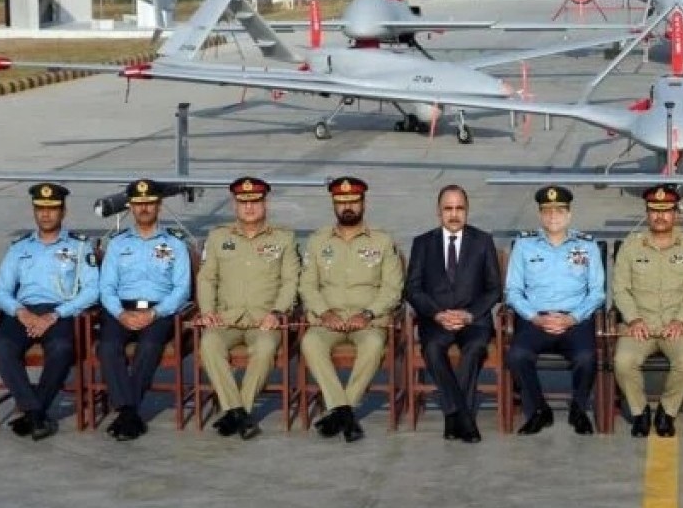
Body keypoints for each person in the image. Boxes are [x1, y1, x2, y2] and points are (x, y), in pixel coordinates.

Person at [299, 176, 403, 443]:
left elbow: (393, 288)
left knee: (372, 345)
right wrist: (324, 313)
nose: (348, 206)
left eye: (353, 201)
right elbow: (307, 286)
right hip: (328, 320)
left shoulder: (381, 241)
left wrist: (367, 314)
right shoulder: (318, 241)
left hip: (367, 321)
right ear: (333, 204)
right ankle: (344, 411)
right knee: (310, 342)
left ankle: (340, 410)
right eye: (341, 201)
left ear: (364, 203)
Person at [195, 177, 300, 440]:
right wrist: (207, 310)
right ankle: (239, 412)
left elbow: (291, 281)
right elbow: (207, 278)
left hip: (264, 319)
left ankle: (236, 410)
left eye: (255, 201)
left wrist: (278, 313)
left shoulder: (284, 239)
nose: (249, 207)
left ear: (266, 203)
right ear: (234, 205)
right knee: (209, 343)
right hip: (226, 318)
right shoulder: (218, 237)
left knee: (264, 348)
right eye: (243, 202)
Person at [0, 183, 99, 440]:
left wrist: (56, 314)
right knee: (2, 346)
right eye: (40, 209)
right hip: (23, 312)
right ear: (34, 211)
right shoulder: (19, 248)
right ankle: (36, 412)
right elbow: (0, 291)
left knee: (62, 348)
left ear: (63, 211)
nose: (45, 214)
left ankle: (31, 412)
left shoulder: (79, 247)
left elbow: (92, 290)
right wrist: (20, 312)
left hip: (59, 312)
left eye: (52, 209)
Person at [404, 184, 501, 444]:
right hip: (436, 321)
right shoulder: (422, 243)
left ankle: (453, 416)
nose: (454, 214)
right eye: (448, 209)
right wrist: (437, 314)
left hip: (474, 321)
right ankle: (463, 416)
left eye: (459, 208)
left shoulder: (482, 242)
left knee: (473, 351)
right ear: (439, 212)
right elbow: (412, 289)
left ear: (467, 211)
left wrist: (469, 315)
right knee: (433, 350)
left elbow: (494, 290)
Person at [504, 185, 605, 436]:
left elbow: (597, 292)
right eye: (547, 212)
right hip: (536, 319)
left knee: (586, 357)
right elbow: (513, 291)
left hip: (574, 320)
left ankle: (578, 409)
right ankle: (539, 410)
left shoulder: (587, 246)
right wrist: (535, 318)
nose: (553, 217)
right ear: (540, 215)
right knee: (517, 356)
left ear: (569, 215)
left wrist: (572, 318)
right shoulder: (524, 245)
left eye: (559, 212)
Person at [98, 179, 192, 441]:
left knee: (150, 346)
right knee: (107, 347)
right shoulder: (117, 244)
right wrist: (120, 313)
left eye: (149, 203)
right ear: (131, 206)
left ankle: (126, 411)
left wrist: (154, 313)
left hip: (159, 310)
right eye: (138, 204)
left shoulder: (175, 243)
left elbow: (181, 289)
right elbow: (106, 287)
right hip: (121, 308)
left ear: (159, 205)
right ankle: (129, 412)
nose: (144, 208)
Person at [611, 185, 683, 438]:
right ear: (647, 213)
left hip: (677, 326)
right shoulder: (631, 246)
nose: (659, 216)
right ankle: (640, 412)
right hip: (639, 325)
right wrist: (633, 319)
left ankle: (667, 411)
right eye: (654, 211)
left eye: (666, 211)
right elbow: (620, 289)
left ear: (677, 214)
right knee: (623, 362)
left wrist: (680, 320)